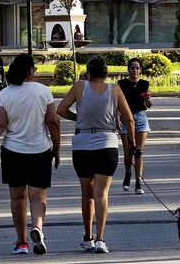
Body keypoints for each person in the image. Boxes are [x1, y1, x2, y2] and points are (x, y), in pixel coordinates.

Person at [0, 53, 60, 255]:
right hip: (40, 151)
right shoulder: (44, 92)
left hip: (12, 152)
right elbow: (53, 122)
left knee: (17, 198)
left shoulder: (6, 94)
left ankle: (22, 242)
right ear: (31, 70)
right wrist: (57, 148)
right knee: (38, 196)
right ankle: (37, 228)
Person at [57, 55, 135, 254]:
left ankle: (88, 237)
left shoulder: (80, 87)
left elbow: (61, 109)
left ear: (88, 73)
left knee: (87, 194)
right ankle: (101, 238)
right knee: (102, 193)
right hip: (106, 144)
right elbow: (129, 119)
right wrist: (131, 144)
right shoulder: (115, 89)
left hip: (82, 145)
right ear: (106, 73)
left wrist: (79, 118)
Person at [118, 58, 152, 194]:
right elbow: (117, 102)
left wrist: (147, 99)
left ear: (141, 70)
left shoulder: (144, 84)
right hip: (126, 117)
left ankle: (138, 182)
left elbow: (148, 106)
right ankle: (127, 173)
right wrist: (116, 117)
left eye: (137, 68)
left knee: (139, 151)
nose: (135, 71)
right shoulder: (121, 84)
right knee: (128, 153)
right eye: (132, 68)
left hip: (140, 117)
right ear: (128, 69)